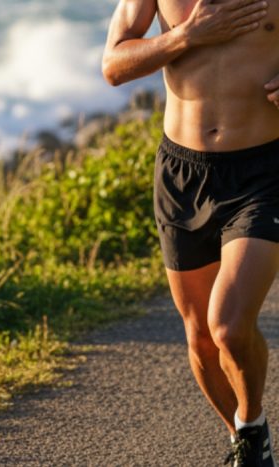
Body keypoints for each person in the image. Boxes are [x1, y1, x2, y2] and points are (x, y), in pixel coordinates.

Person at [102, 0, 279, 465]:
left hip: (265, 171)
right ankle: (247, 437)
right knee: (200, 335)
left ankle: (251, 421)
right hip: (183, 175)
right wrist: (186, 35)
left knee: (228, 325)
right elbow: (113, 65)